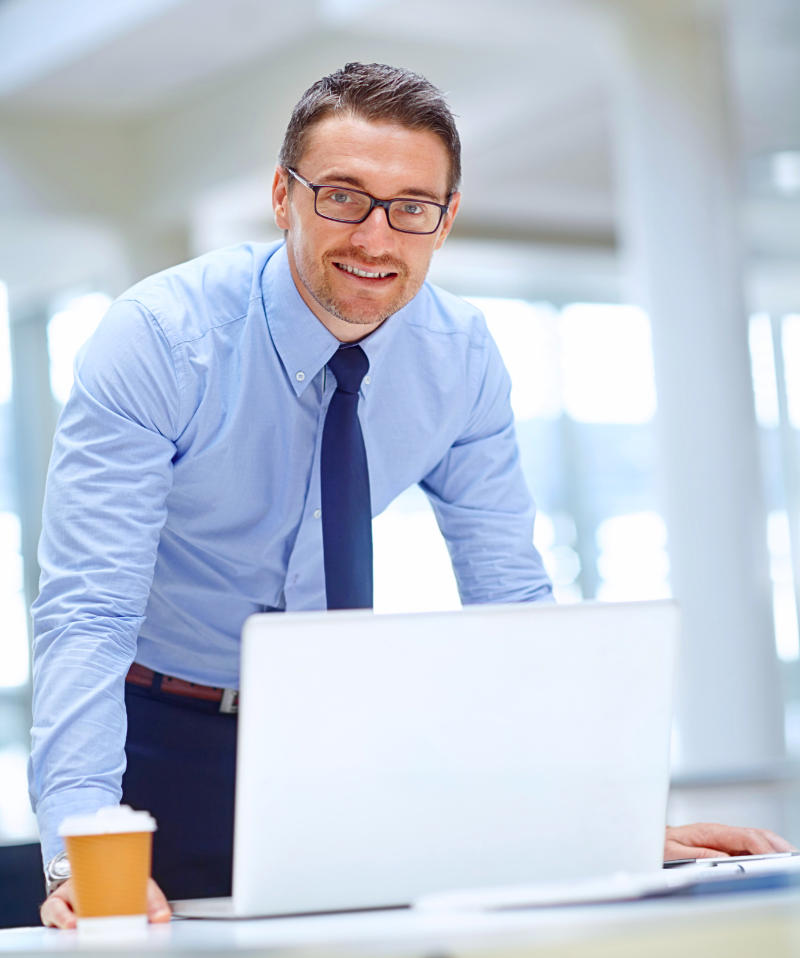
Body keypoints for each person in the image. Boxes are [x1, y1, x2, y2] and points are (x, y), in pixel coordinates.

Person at [32, 63, 795, 930]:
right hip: (158, 735)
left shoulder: (459, 356)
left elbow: (510, 598)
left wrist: (606, 825)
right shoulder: (162, 342)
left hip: (340, 739)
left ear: (446, 219)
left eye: (411, 207)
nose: (376, 237)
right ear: (284, 196)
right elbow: (88, 612)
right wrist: (80, 848)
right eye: (344, 197)